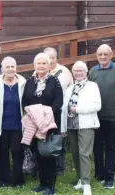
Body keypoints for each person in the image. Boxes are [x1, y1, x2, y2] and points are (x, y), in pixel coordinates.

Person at [22, 53, 63, 195]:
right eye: (38, 63)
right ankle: (42, 183)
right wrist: (33, 115)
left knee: (48, 154)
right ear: (34, 65)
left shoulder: (54, 81)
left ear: (49, 65)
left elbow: (58, 102)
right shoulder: (29, 82)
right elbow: (24, 102)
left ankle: (51, 186)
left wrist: (45, 117)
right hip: (33, 125)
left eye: (44, 63)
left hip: (49, 124)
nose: (41, 66)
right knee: (38, 154)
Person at [88, 44, 115, 189]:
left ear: (111, 55)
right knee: (97, 146)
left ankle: (110, 178)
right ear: (96, 56)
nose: (103, 57)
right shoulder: (92, 71)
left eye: (106, 54)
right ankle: (100, 174)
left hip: (113, 116)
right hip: (96, 117)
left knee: (110, 147)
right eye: (100, 55)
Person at [61, 61, 101, 195]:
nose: (78, 73)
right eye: (76, 71)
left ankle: (86, 183)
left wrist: (77, 109)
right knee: (75, 153)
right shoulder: (70, 88)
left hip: (86, 124)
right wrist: (63, 126)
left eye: (81, 71)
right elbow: (64, 109)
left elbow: (97, 105)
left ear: (86, 72)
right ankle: (80, 178)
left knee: (84, 153)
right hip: (71, 125)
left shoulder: (92, 86)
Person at [0, 56, 26, 188]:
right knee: (2, 153)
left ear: (16, 68)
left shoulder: (23, 82)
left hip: (18, 124)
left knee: (18, 152)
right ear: (2, 69)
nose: (10, 69)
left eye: (13, 66)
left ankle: (18, 181)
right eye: (7, 67)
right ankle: (2, 180)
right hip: (2, 124)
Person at [44, 47, 74, 176]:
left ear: (56, 58)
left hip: (59, 111)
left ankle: (59, 168)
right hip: (43, 113)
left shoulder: (64, 72)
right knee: (44, 139)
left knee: (59, 139)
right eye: (48, 58)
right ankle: (44, 167)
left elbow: (71, 89)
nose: (50, 61)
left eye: (53, 57)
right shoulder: (38, 71)